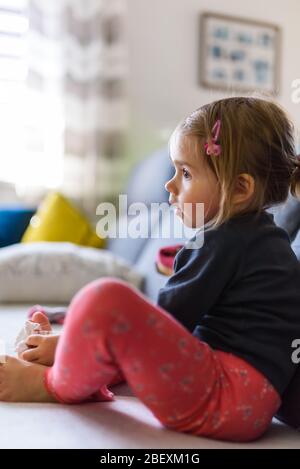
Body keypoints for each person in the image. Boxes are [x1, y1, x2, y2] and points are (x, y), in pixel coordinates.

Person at [1, 96, 300, 443]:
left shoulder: (224, 240)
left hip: (226, 396)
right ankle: (76, 363)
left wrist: (73, 337)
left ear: (239, 189)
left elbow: (168, 322)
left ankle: (51, 385)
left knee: (105, 298)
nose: (169, 186)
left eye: (186, 173)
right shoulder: (266, 242)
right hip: (252, 402)